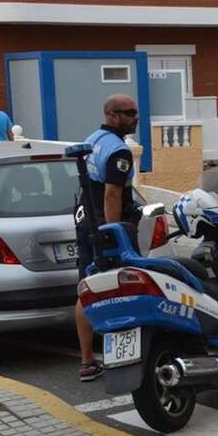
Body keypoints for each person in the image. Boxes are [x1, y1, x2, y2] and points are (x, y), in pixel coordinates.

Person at [75, 94, 141, 381]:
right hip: (105, 224)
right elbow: (112, 194)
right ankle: (126, 355)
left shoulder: (93, 139)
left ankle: (88, 360)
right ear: (112, 115)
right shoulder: (119, 151)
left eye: (136, 112)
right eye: (128, 113)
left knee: (86, 287)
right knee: (122, 284)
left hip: (83, 219)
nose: (134, 118)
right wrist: (113, 233)